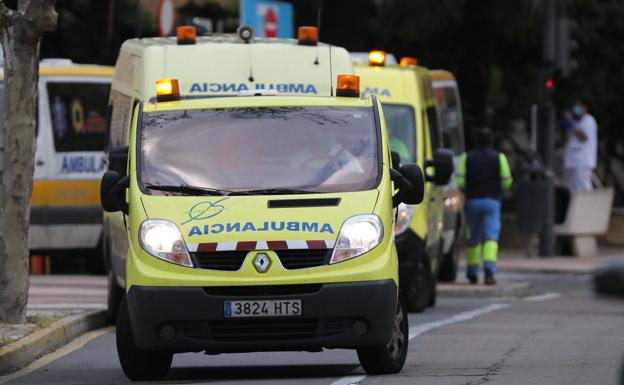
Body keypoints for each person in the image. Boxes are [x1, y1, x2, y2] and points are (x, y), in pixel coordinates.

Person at [456, 130, 512, 285]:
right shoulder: (499, 157)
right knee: (490, 238)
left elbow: (459, 181)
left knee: (472, 238)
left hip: (472, 201)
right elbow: (507, 180)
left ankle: (472, 272)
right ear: (491, 142)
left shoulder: (467, 157)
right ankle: (489, 271)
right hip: (492, 202)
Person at [563, 99, 598, 192]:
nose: (576, 109)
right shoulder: (578, 122)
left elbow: (584, 138)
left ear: (585, 107)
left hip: (582, 160)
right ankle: (577, 205)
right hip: (573, 161)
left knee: (583, 186)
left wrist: (572, 124)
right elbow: (568, 137)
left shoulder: (589, 120)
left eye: (578, 106)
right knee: (573, 188)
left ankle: (588, 205)